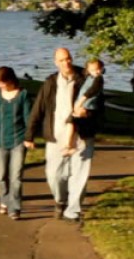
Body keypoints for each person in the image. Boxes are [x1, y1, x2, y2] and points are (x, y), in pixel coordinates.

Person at [27, 47, 97, 223]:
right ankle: (60, 200)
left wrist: (87, 113)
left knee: (80, 174)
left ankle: (72, 211)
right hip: (56, 135)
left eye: (68, 59)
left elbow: (99, 104)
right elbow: (38, 108)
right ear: (55, 63)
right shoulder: (51, 82)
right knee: (54, 174)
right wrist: (29, 134)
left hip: (82, 135)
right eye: (62, 60)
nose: (66, 63)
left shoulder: (85, 78)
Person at [0, 66, 33, 220]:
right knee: (0, 176)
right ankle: (5, 200)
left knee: (16, 176)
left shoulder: (23, 95)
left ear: (10, 80)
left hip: (18, 139)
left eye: (2, 83)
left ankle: (15, 207)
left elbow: (28, 118)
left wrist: (29, 138)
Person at [63, 58, 104, 156]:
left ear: (102, 68)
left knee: (74, 122)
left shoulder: (99, 79)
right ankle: (68, 146)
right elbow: (80, 70)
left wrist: (80, 102)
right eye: (94, 70)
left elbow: (92, 91)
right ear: (88, 70)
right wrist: (67, 65)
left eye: (98, 69)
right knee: (71, 122)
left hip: (88, 107)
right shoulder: (88, 77)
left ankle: (73, 146)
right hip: (81, 106)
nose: (97, 72)